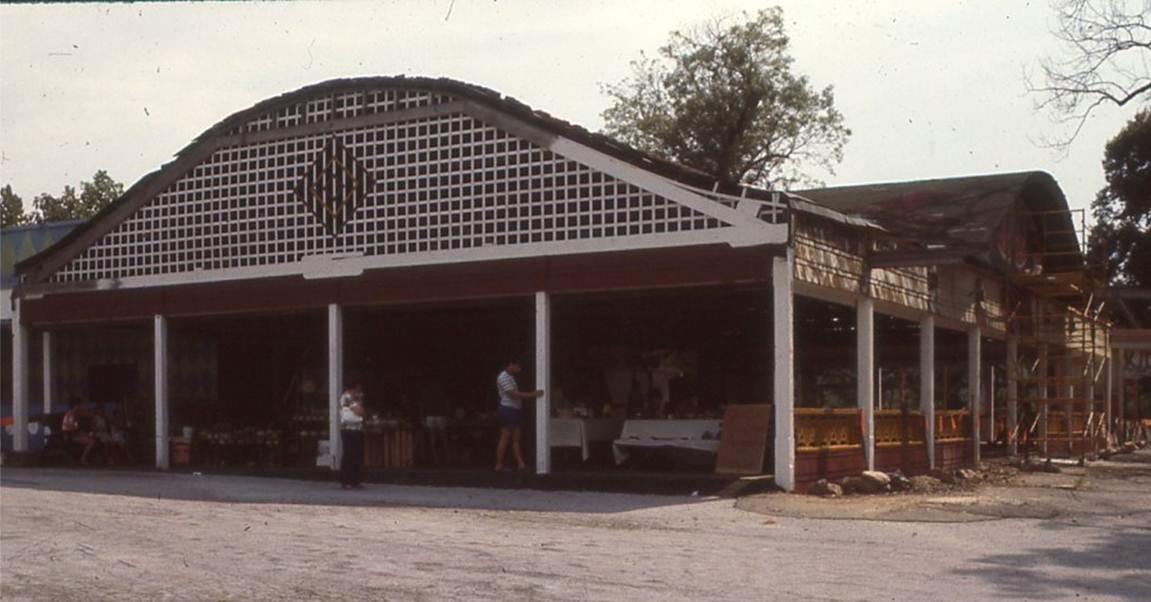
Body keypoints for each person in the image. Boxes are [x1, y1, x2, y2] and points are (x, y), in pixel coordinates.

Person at [494, 360, 543, 471]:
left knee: (516, 438)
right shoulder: (503, 377)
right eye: (518, 367)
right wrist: (533, 394)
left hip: (516, 409)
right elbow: (514, 395)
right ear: (511, 364)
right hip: (508, 409)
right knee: (505, 436)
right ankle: (499, 464)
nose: (519, 370)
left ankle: (521, 463)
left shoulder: (511, 377)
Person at [338, 384, 366, 489]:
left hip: (358, 429)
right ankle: (346, 480)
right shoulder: (347, 397)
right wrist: (361, 408)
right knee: (349, 454)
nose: (359, 392)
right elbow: (359, 411)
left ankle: (355, 480)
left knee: (357, 455)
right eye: (357, 390)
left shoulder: (356, 398)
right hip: (348, 429)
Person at [61, 398, 99, 466]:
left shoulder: (74, 414)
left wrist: (84, 433)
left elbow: (76, 427)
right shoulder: (70, 415)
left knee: (91, 437)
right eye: (79, 406)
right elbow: (68, 428)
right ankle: (83, 459)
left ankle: (87, 457)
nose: (80, 407)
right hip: (71, 435)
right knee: (91, 442)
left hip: (75, 433)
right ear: (75, 406)